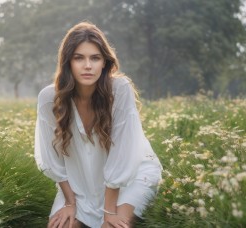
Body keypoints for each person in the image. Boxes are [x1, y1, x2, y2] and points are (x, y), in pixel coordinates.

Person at [34, 21, 162, 228]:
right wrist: (69, 201)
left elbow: (123, 155)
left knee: (110, 227)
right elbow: (52, 159)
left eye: (95, 58)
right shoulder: (49, 98)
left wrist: (109, 212)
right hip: (79, 183)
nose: (87, 66)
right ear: (67, 62)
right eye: (79, 58)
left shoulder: (119, 89)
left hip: (129, 178)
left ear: (104, 62)